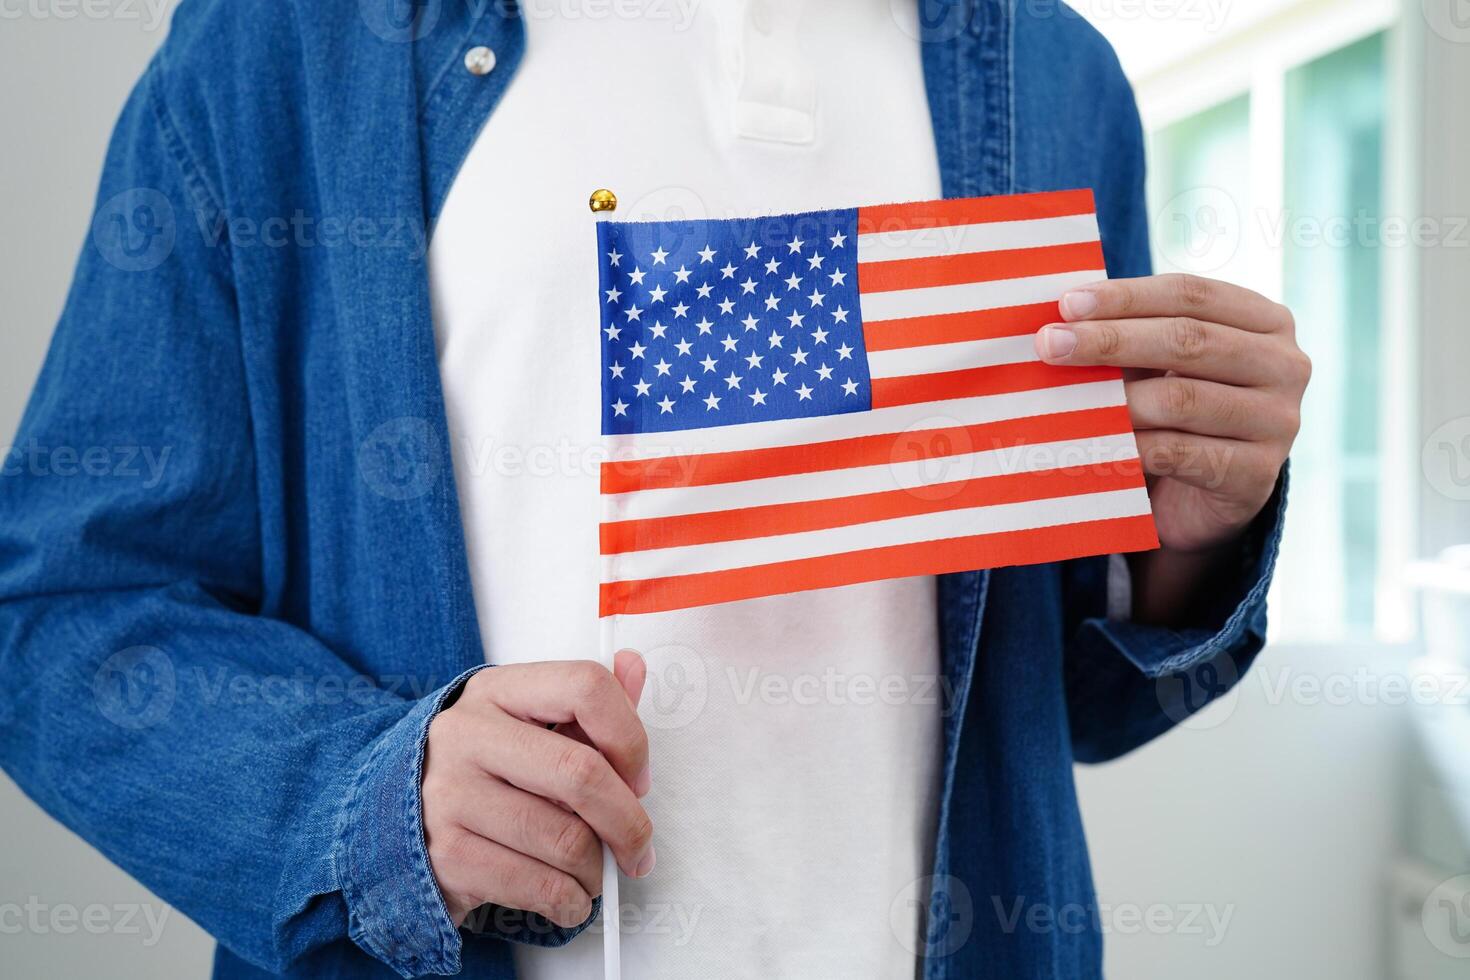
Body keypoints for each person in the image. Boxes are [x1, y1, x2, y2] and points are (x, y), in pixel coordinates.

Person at [0, 1, 1308, 978]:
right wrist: (367, 796)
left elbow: (1072, 702)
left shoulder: (1050, 71)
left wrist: (1187, 540)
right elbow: (60, 615)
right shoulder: (285, 48)